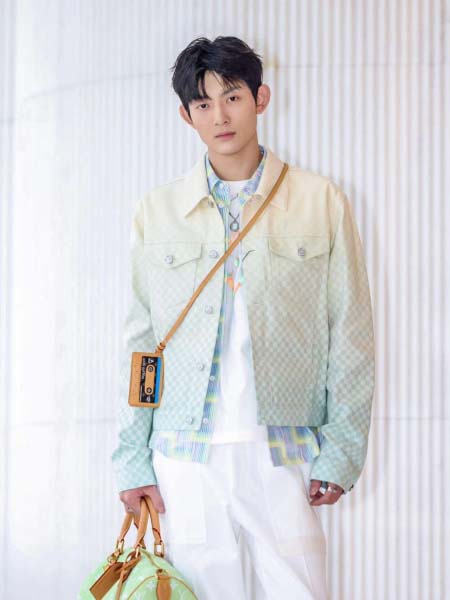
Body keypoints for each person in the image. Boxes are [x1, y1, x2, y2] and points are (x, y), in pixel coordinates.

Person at [111, 35, 375, 599]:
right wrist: (132, 456)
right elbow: (143, 343)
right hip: (184, 454)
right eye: (203, 103)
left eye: (232, 96)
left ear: (261, 98)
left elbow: (351, 334)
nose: (220, 116)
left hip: (285, 450)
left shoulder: (320, 200)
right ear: (186, 116)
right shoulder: (157, 211)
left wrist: (343, 450)